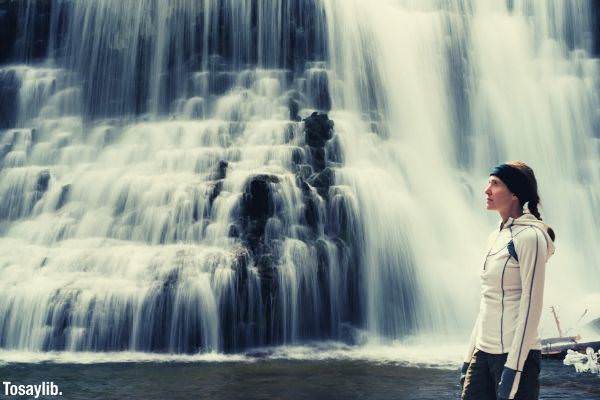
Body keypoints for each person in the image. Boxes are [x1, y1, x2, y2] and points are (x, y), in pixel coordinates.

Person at [460, 161, 556, 400]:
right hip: (482, 353)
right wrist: (468, 356)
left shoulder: (530, 237)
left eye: (495, 183)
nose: (486, 190)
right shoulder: (495, 236)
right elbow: (488, 299)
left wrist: (513, 368)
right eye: (488, 183)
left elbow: (532, 305)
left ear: (515, 193)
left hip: (516, 356)